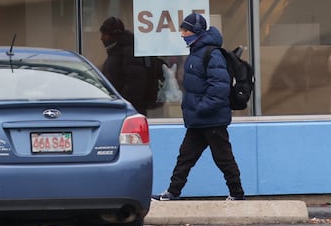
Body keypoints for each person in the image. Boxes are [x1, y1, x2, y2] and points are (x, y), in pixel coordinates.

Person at [154, 11, 246, 201]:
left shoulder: (211, 54)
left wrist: (201, 107)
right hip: (199, 119)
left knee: (223, 158)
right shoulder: (196, 53)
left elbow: (219, 88)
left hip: (211, 119)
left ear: (195, 31)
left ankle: (237, 193)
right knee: (185, 157)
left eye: (185, 30)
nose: (182, 34)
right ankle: (173, 191)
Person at [99, 16, 162, 115]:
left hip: (129, 110)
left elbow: (135, 84)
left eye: (105, 34)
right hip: (124, 108)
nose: (102, 38)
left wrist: (124, 104)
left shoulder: (128, 52)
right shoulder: (118, 51)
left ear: (114, 35)